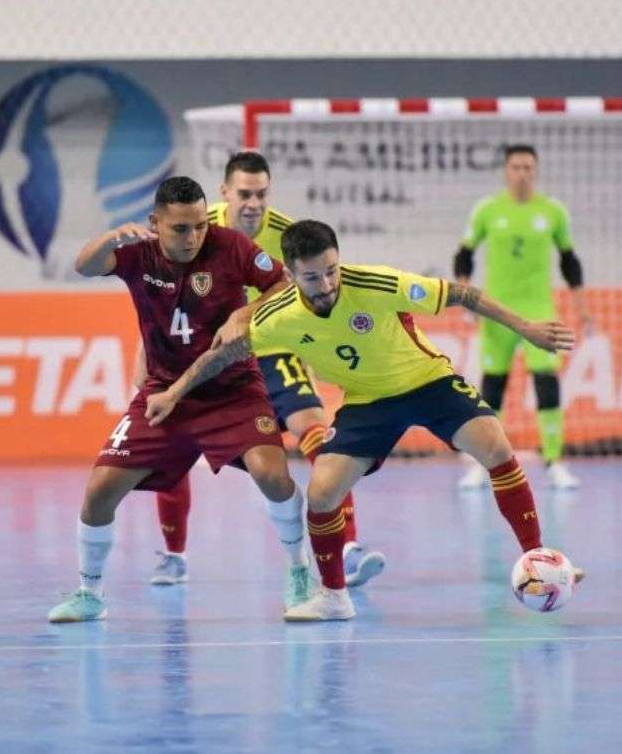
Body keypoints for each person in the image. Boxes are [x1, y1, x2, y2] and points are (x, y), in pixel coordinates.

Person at [146, 219, 579, 622]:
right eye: (313, 277)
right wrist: (173, 392)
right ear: (292, 277)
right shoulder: (277, 318)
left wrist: (526, 328)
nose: (327, 283)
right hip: (368, 403)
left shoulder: (374, 283)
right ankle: (334, 596)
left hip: (428, 381)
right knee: (321, 491)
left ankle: (539, 559)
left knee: (496, 445)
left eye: (332, 270)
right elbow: (218, 356)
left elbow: (460, 294)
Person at [47, 176, 311, 623]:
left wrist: (246, 312)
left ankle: (299, 571)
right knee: (99, 492)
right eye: (180, 229)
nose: (193, 237)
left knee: (272, 474)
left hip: (233, 390)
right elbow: (84, 266)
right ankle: (89, 594)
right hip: (163, 393)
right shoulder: (137, 253)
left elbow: (283, 286)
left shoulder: (232, 246)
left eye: (199, 226)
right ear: (155, 223)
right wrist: (111, 237)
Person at [149, 151, 386, 589]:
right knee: (171, 446)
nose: (253, 203)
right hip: (208, 356)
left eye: (261, 193)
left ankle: (349, 547)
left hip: (275, 349)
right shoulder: (199, 228)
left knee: (314, 426)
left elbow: (316, 293)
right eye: (244, 193)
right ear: (225, 193)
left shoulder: (290, 236)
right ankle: (173, 555)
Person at [454, 144, 592, 491]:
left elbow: (569, 261)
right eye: (516, 167)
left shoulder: (553, 212)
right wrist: (466, 297)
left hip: (540, 311)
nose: (522, 173)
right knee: (492, 388)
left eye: (528, 167)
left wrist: (582, 308)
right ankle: (483, 466)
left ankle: (555, 462)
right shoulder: (487, 210)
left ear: (537, 170)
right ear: (505, 171)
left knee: (546, 382)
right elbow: (464, 255)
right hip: (496, 311)